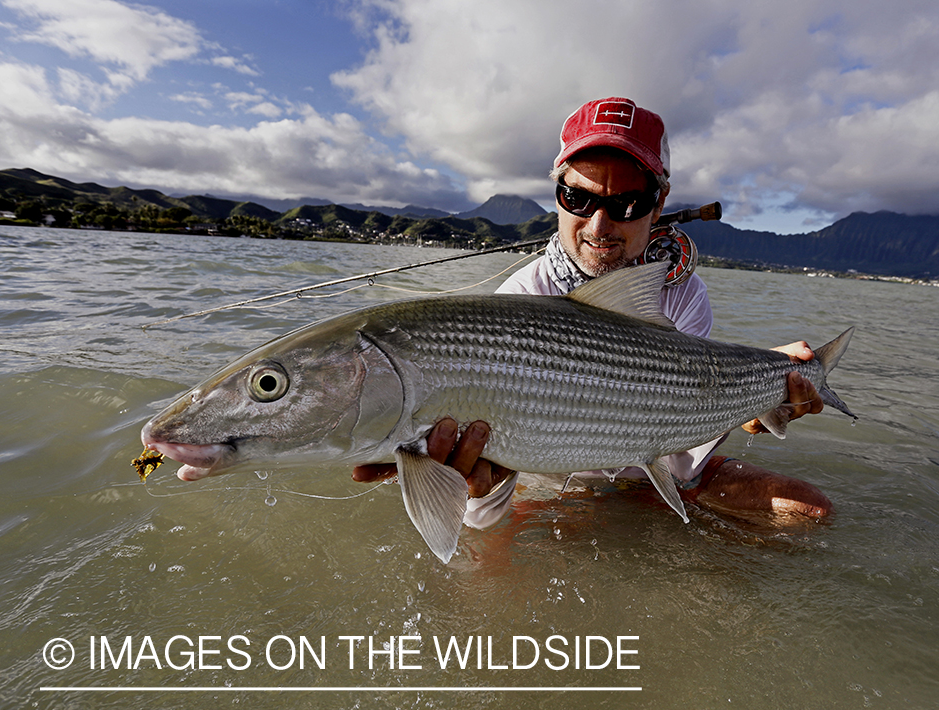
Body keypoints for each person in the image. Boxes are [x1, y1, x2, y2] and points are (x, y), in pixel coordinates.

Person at [353, 97, 832, 521]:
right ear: (556, 196)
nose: (599, 225)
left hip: (651, 473)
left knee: (808, 511)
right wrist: (482, 486)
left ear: (659, 202)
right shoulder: (521, 297)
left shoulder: (683, 294)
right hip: (549, 483)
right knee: (487, 577)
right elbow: (479, 513)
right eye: (577, 198)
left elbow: (681, 445)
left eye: (627, 203)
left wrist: (755, 398)